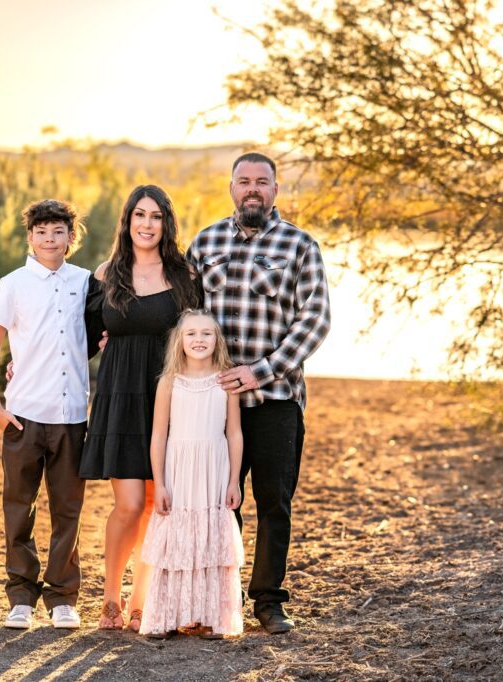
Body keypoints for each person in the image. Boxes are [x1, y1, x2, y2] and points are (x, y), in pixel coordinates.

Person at [186, 152, 331, 634]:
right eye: (244, 181)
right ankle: (218, 599)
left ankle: (268, 602)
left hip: (275, 400)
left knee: (274, 502)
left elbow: (315, 320)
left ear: (275, 190)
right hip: (213, 402)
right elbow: (180, 316)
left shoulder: (300, 246)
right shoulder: (204, 243)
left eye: (262, 182)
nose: (253, 189)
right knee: (216, 502)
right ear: (231, 186)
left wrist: (262, 371)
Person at [79, 184, 200, 630]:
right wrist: (22, 366)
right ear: (127, 222)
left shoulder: (185, 276)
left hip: (168, 398)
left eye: (155, 216)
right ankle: (110, 594)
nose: (147, 224)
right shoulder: (106, 273)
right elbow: (81, 340)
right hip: (120, 397)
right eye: (139, 216)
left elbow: (198, 336)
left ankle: (140, 599)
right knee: (128, 503)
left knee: (155, 502)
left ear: (166, 224)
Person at [0, 199, 90, 630]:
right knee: (18, 508)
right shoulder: (13, 284)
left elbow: (97, 336)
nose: (50, 238)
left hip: (71, 416)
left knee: (68, 509)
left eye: (58, 231)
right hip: (23, 415)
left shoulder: (86, 282)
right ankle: (21, 597)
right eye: (42, 231)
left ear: (70, 237)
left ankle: (62, 596)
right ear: (30, 237)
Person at [138, 310, 244, 639]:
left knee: (211, 537)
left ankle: (212, 618)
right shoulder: (169, 382)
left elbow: (234, 433)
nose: (199, 340)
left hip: (214, 468)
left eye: (207, 334)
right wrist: (161, 482)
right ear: (179, 342)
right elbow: (158, 436)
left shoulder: (226, 381)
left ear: (218, 341)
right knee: (177, 538)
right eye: (191, 334)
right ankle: (168, 617)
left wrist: (233, 480)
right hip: (179, 468)